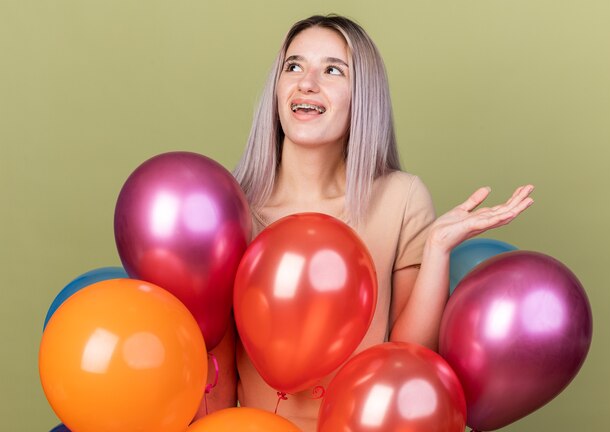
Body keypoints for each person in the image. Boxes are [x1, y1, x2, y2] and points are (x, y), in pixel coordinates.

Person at [196, 14, 534, 431]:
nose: (307, 82)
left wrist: (436, 250)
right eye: (294, 66)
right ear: (278, 88)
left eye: (332, 70)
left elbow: (408, 361)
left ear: (363, 97)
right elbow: (219, 372)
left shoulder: (400, 198)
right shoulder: (232, 207)